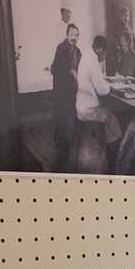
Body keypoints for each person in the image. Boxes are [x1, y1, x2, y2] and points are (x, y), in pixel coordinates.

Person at [76, 34, 121, 157]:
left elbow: (95, 80)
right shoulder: (93, 60)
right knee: (113, 120)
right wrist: (109, 86)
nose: (104, 56)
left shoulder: (86, 55)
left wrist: (103, 82)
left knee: (108, 111)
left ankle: (108, 151)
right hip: (88, 109)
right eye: (105, 53)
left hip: (81, 105)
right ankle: (114, 155)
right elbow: (102, 90)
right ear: (100, 49)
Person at [49, 24, 81, 171]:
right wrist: (74, 73)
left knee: (71, 124)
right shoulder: (61, 48)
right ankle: (60, 158)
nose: (74, 37)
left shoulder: (78, 51)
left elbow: (79, 69)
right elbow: (65, 68)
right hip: (61, 93)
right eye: (72, 34)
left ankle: (70, 157)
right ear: (67, 35)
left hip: (73, 93)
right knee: (60, 124)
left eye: (77, 35)